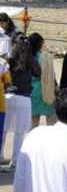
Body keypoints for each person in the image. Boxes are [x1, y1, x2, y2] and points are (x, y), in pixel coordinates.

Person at [2, 36, 42, 171]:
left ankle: (0, 157)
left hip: (8, 96)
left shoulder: (9, 60)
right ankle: (15, 161)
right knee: (19, 133)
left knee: (3, 130)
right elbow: (38, 73)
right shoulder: (30, 60)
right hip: (24, 98)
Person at [29, 33, 57, 128]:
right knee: (51, 121)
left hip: (32, 92)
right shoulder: (46, 57)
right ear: (40, 44)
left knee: (33, 123)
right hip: (46, 90)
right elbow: (52, 75)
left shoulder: (26, 58)